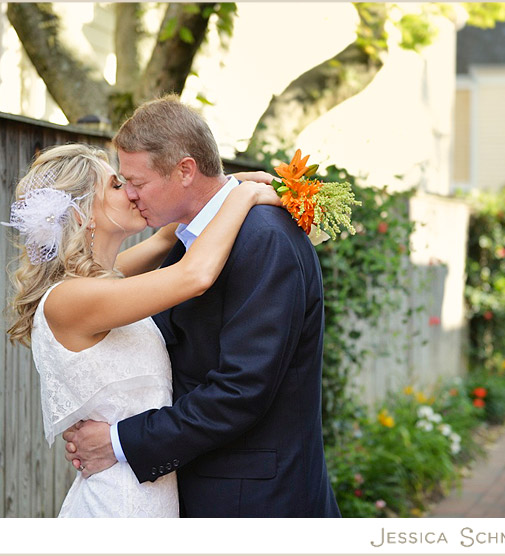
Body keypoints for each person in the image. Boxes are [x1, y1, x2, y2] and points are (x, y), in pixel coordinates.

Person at [63, 95, 341, 518]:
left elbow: (240, 390)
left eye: (137, 181)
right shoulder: (188, 244)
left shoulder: (263, 237)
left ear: (185, 170)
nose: (132, 195)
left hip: (255, 505)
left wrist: (120, 441)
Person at [4, 142, 280, 517]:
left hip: (145, 490)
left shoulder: (101, 281)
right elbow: (194, 275)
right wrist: (244, 196)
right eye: (117, 186)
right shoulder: (70, 299)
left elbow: (167, 238)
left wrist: (220, 186)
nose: (132, 193)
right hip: (119, 505)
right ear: (85, 213)